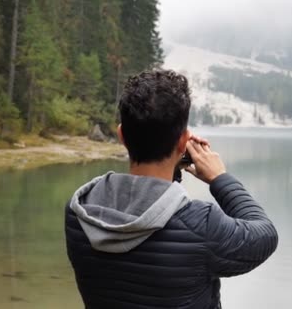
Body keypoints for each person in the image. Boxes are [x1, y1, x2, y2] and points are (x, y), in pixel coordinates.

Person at [65, 70, 278, 309]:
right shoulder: (202, 226)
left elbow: (149, 212)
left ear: (122, 135)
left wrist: (173, 165)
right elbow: (266, 236)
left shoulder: (79, 211)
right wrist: (220, 179)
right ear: (182, 141)